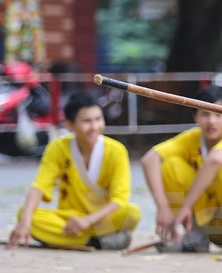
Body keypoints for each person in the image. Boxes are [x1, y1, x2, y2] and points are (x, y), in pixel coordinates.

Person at [141, 85, 222, 253]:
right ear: (195, 117)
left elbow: (215, 160)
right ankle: (196, 234)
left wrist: (186, 207)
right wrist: (163, 208)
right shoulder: (192, 138)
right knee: (170, 165)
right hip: (212, 223)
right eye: (205, 114)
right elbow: (149, 159)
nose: (211, 121)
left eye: (219, 114)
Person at [6, 91, 140, 250]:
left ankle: (69, 240)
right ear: (70, 125)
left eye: (98, 119)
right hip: (69, 218)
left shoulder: (117, 151)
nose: (95, 127)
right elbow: (40, 186)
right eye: (86, 121)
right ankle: (95, 241)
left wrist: (87, 221)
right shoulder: (58, 148)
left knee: (132, 213)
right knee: (25, 213)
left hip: (101, 219)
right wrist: (25, 222)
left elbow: (119, 199)